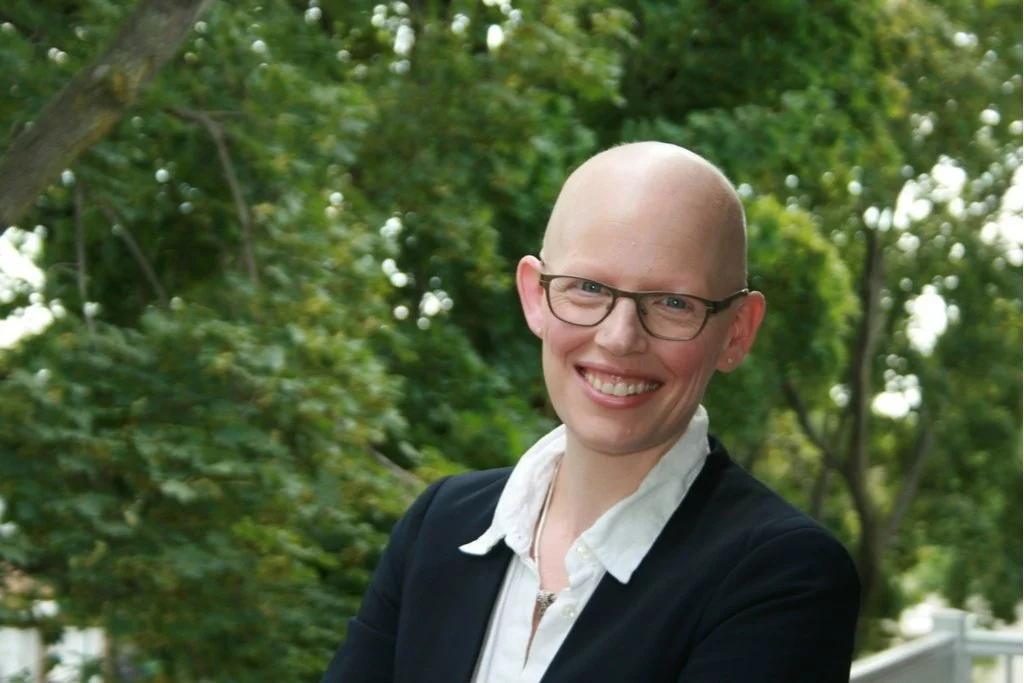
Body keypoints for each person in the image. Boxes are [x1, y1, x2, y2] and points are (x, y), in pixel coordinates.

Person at [321, 142, 861, 682]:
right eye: (586, 288)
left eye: (673, 302)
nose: (619, 337)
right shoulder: (440, 526)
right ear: (535, 296)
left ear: (737, 331)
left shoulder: (783, 578)